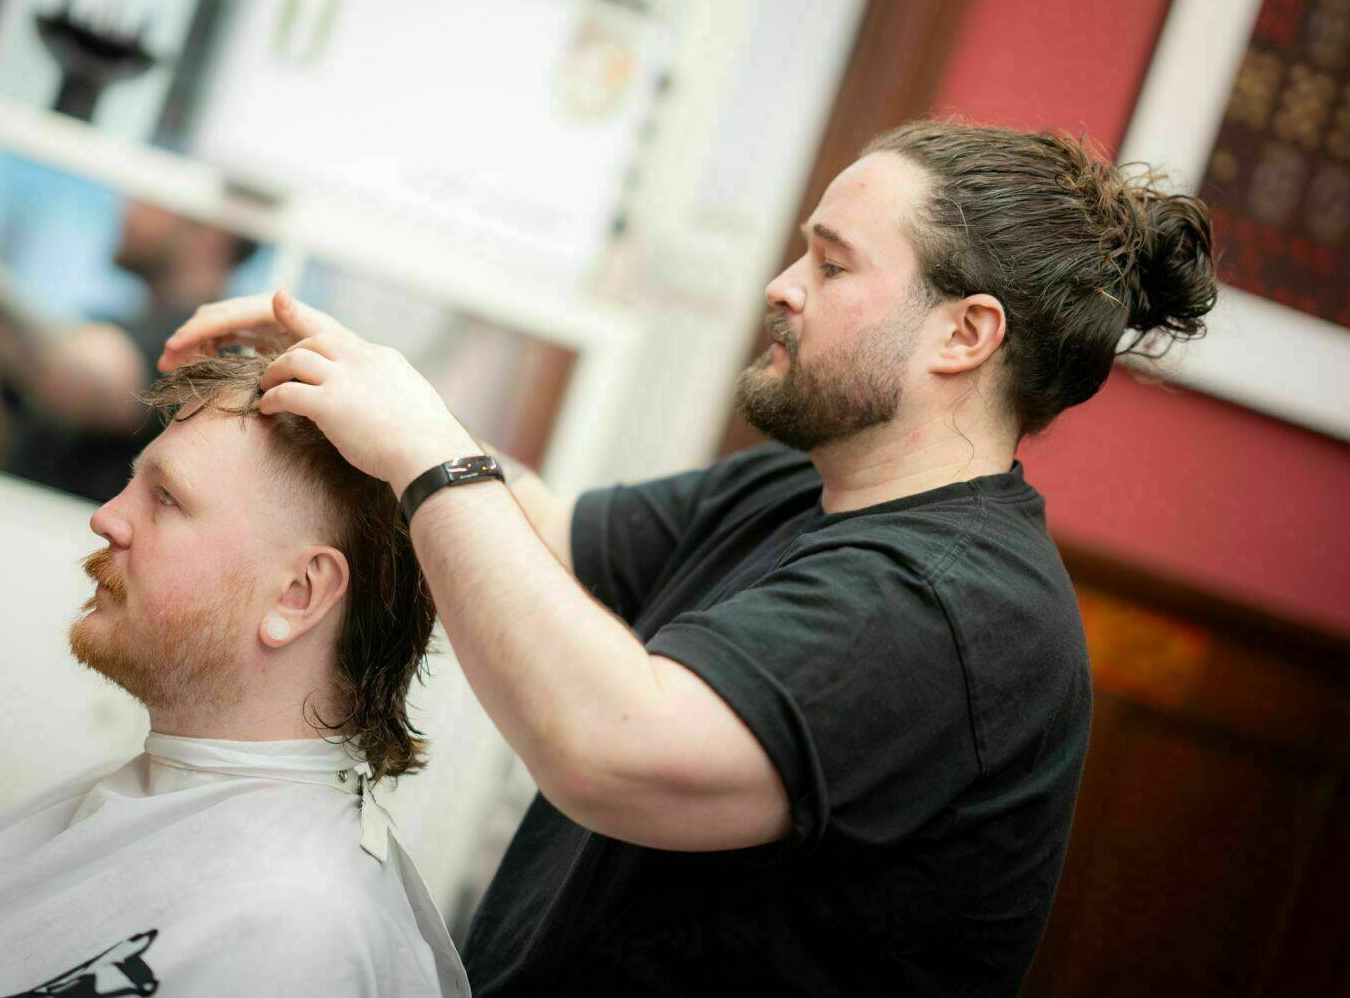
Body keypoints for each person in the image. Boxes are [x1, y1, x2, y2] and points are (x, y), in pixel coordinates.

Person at [158, 120, 1220, 995]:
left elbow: (611, 748)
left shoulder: (953, 609)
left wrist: (424, 450)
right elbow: (539, 533)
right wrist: (359, 382)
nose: (782, 285)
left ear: (964, 334)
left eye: (832, 263)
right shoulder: (797, 489)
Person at [0, 355, 467, 998]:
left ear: (297, 595)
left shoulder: (295, 930)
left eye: (166, 497)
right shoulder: (165, 794)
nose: (106, 518)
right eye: (132, 483)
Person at [0, 200, 258, 501]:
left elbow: (94, 380)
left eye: (154, 200)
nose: (128, 206)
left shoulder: (211, 345)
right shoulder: (110, 324)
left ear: (213, 233)